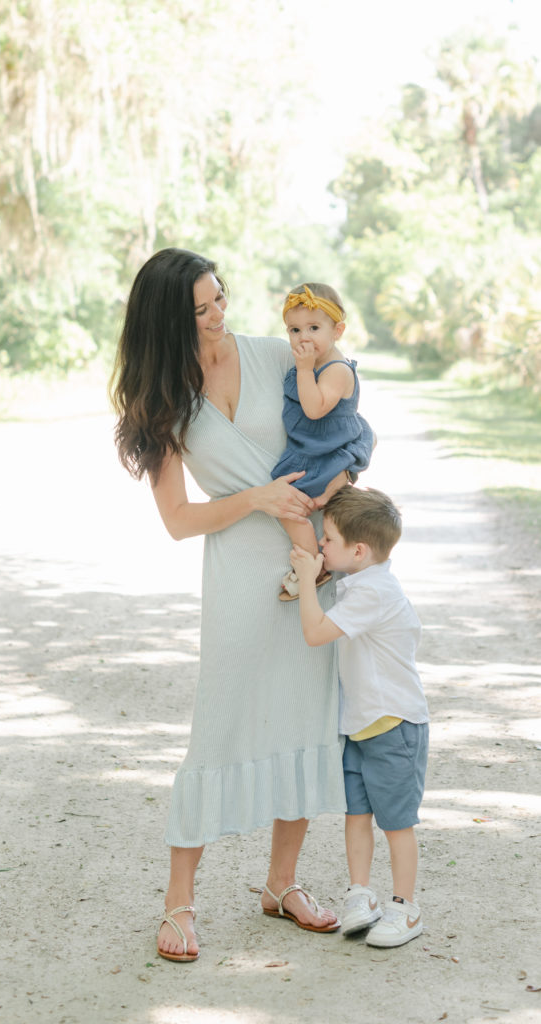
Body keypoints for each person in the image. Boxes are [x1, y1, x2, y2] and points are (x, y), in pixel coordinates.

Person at [109, 248, 375, 963]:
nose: (219, 315)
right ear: (170, 321)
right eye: (200, 309)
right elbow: (178, 519)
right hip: (237, 571)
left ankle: (281, 884)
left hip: (308, 566)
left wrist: (335, 498)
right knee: (219, 723)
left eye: (220, 297)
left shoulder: (274, 356)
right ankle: (179, 901)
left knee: (305, 717)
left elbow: (352, 417)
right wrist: (256, 498)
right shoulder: (166, 398)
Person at [289, 485, 429, 948]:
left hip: (393, 725)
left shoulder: (376, 593)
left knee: (396, 823)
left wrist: (307, 578)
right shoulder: (360, 582)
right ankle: (361, 894)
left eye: (327, 539)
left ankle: (405, 909)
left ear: (360, 550)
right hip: (360, 726)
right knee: (357, 814)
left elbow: (314, 633)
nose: (320, 545)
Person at [271, 283, 371, 602]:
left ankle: (313, 564)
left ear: (337, 330)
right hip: (308, 451)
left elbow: (313, 409)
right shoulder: (315, 363)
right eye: (295, 329)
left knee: (291, 506)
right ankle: (318, 560)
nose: (303, 337)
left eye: (314, 328)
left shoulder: (337, 370)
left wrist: (302, 369)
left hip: (322, 457)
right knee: (290, 507)